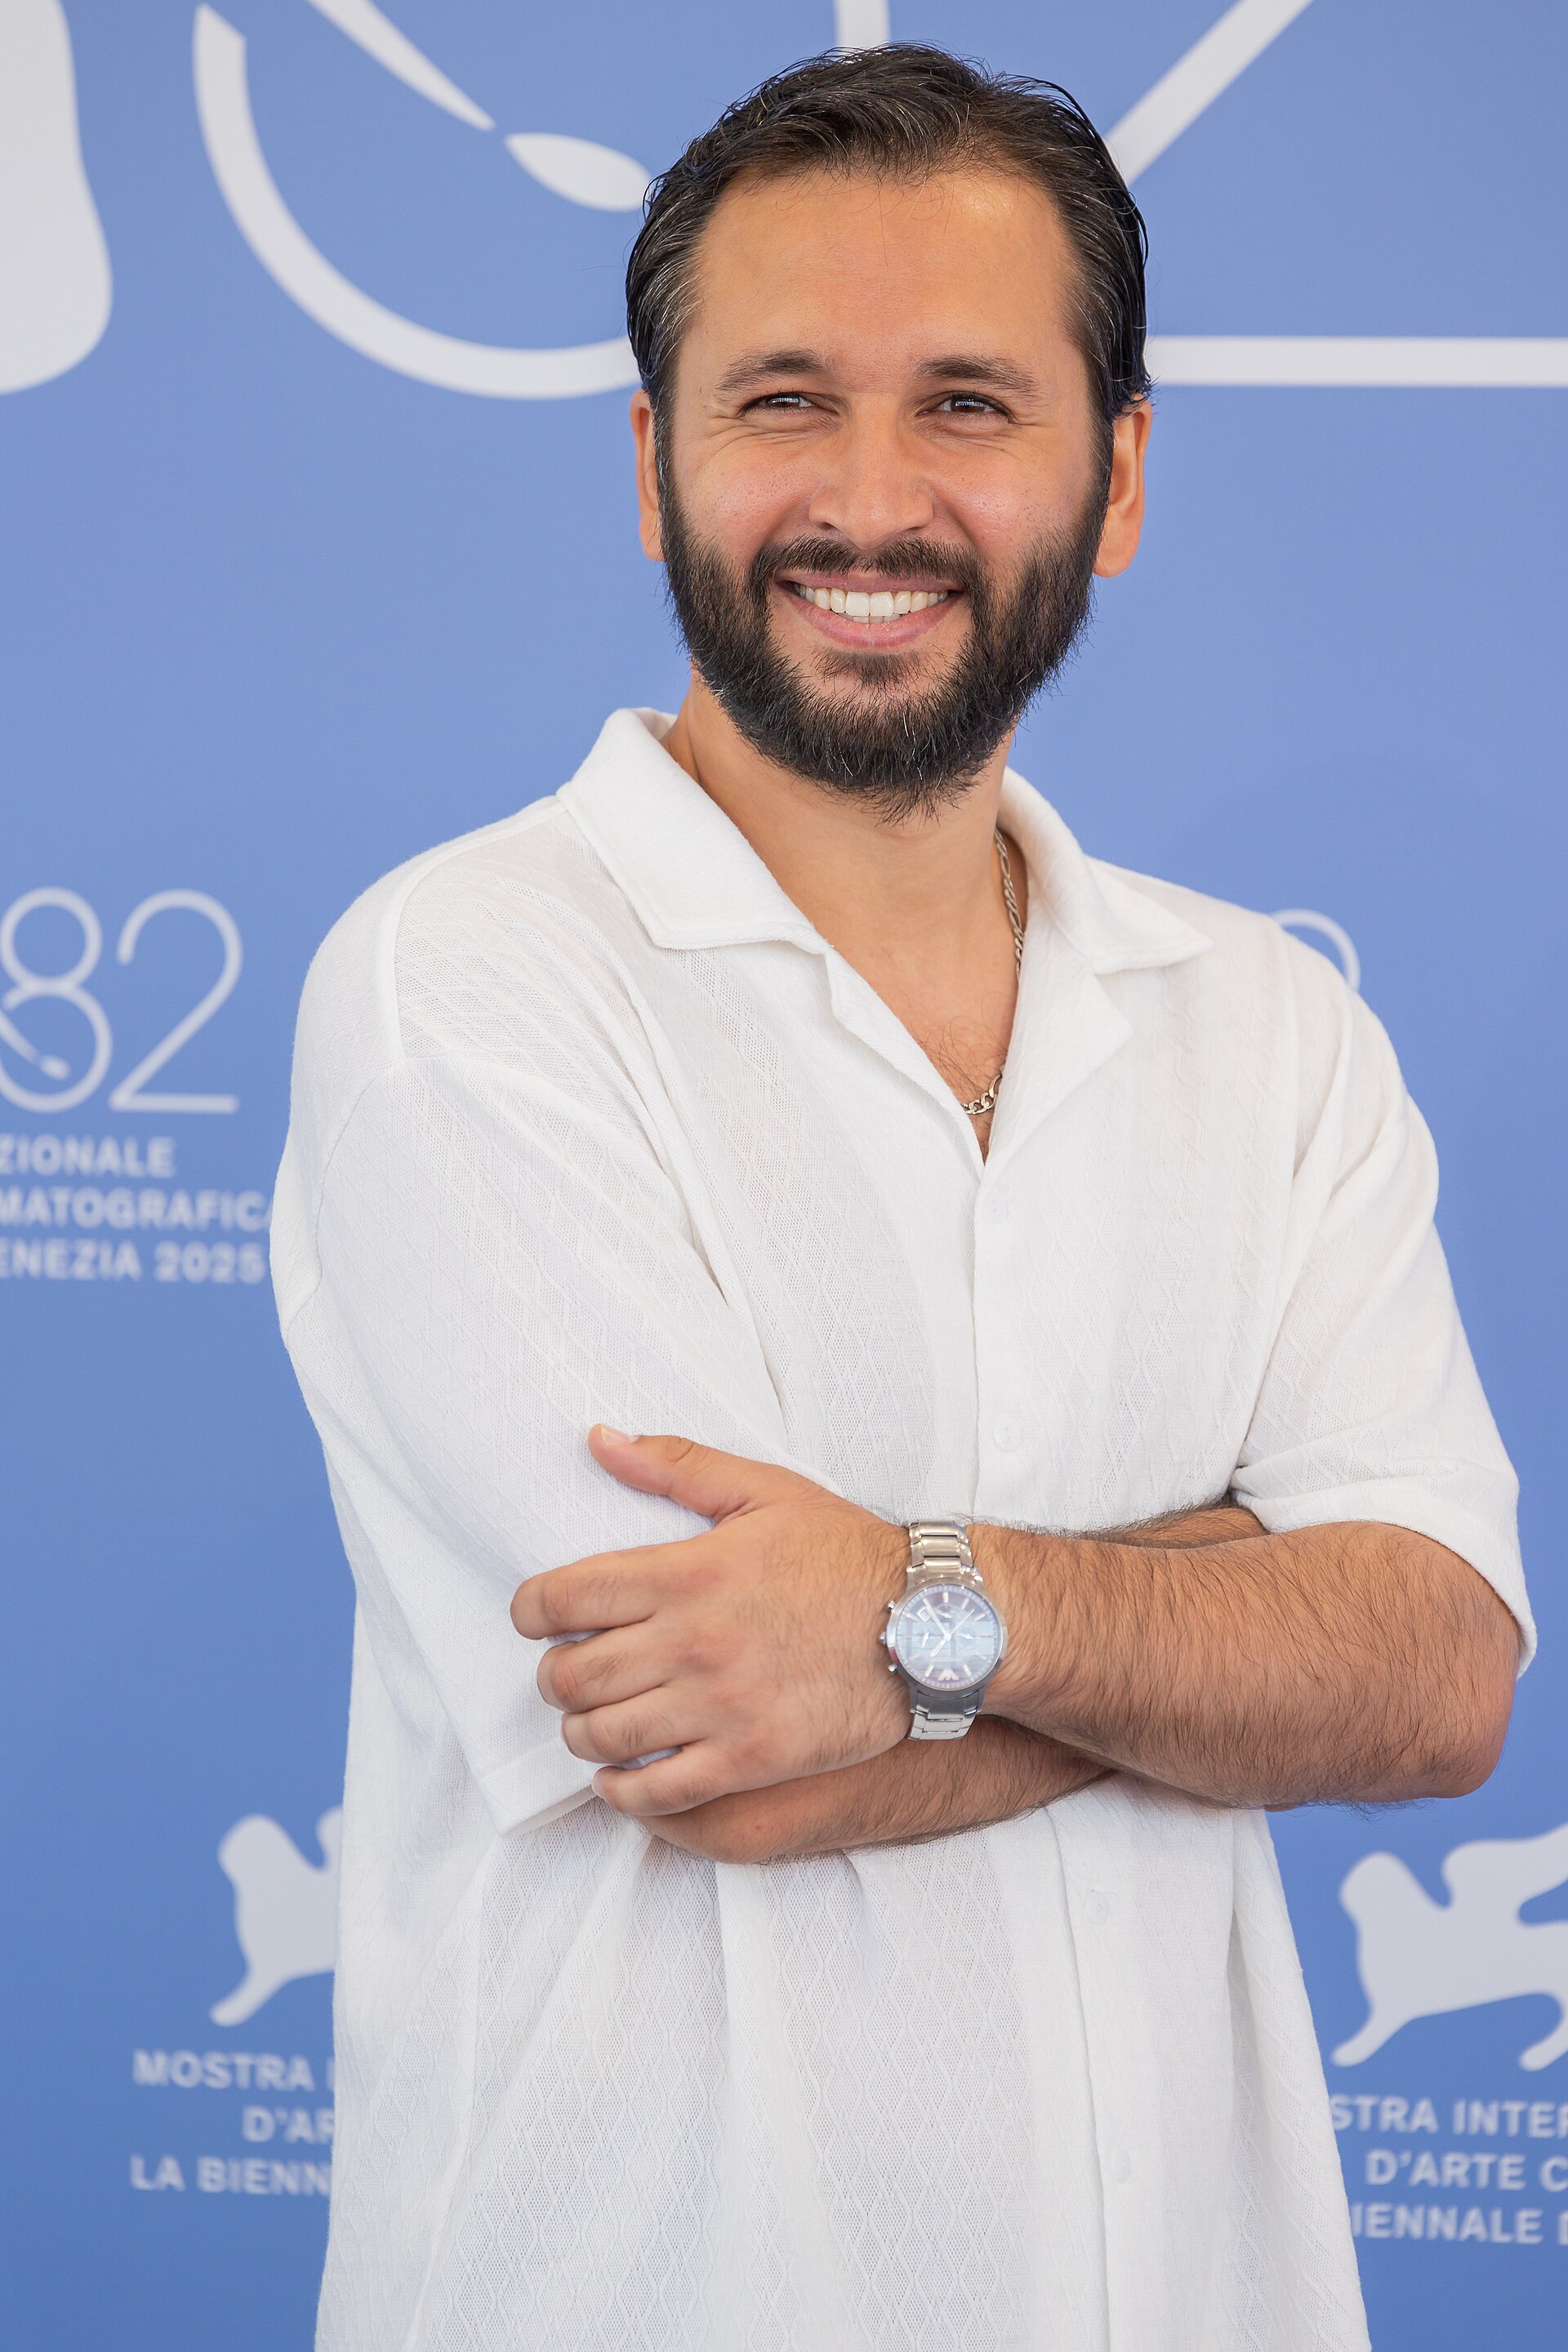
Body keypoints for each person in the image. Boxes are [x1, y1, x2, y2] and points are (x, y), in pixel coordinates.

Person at [273, 45, 1529, 2352]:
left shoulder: (1273, 1029)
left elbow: (1440, 1675)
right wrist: (1247, 1616)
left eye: (967, 403)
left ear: (1113, 477)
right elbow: (723, 1754)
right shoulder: (463, 982)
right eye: (783, 403)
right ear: (651, 465)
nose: (870, 501)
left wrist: (916, 1606)